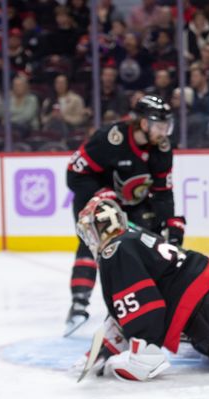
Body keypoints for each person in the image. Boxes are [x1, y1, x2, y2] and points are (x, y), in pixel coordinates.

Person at [74, 196, 209, 381]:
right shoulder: (130, 240)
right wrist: (105, 350)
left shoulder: (115, 250)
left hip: (208, 301)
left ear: (98, 228)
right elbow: (129, 308)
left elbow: (144, 305)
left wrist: (145, 349)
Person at [64, 94, 184, 336]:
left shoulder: (162, 149)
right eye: (160, 125)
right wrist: (100, 194)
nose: (165, 131)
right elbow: (74, 174)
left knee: (150, 246)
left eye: (166, 125)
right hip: (98, 200)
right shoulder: (110, 139)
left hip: (134, 203)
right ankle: (78, 305)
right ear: (143, 123)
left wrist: (168, 223)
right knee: (93, 245)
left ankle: (156, 306)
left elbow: (162, 191)